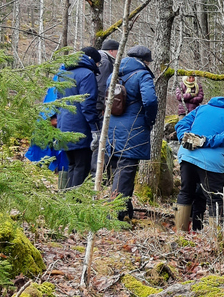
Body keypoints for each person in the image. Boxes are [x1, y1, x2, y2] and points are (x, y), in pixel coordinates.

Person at [174, 96, 224, 232]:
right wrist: (205, 141)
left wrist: (184, 137)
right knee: (215, 198)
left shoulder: (202, 108)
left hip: (187, 155)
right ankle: (216, 240)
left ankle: (180, 235)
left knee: (186, 192)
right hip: (211, 162)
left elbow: (180, 124)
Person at [106, 45, 159, 221]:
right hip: (133, 129)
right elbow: (150, 100)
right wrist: (149, 119)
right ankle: (116, 216)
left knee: (117, 169)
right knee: (126, 170)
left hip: (112, 128)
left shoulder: (114, 74)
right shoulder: (142, 75)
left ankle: (125, 208)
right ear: (145, 61)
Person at [55, 46, 101, 188]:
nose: (98, 66)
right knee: (82, 166)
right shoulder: (87, 75)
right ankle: (76, 203)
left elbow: (58, 102)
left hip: (64, 126)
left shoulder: (64, 74)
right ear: (93, 60)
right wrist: (95, 129)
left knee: (72, 165)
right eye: (98, 63)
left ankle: (68, 202)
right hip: (80, 127)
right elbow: (87, 104)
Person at [92, 39, 119, 175]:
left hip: (94, 104)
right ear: (111, 51)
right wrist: (104, 106)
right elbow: (103, 85)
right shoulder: (106, 62)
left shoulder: (99, 58)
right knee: (99, 139)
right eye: (117, 51)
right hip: (98, 106)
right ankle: (96, 174)